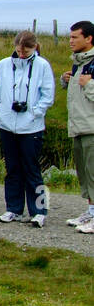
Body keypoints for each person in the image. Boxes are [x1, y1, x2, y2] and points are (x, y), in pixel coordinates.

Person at [0, 31, 54, 227]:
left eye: (26, 51)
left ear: (34, 48)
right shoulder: (3, 64)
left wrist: (35, 112)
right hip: (7, 125)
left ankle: (40, 211)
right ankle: (13, 209)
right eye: (19, 50)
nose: (22, 54)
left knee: (32, 169)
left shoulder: (42, 65)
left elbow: (48, 95)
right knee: (12, 169)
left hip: (31, 127)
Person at [61, 20, 94, 233]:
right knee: (85, 174)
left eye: (75, 37)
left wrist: (88, 84)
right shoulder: (78, 63)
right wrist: (68, 81)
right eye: (70, 37)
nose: (70, 41)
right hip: (78, 126)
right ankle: (91, 212)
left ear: (89, 38)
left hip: (92, 128)